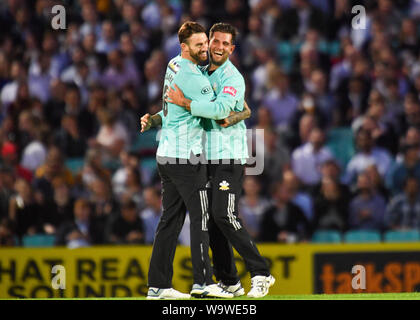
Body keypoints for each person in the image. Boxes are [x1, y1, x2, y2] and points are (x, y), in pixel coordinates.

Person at [165, 22, 275, 298]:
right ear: (209, 42)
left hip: (228, 156)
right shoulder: (200, 70)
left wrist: (186, 103)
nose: (219, 47)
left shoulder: (233, 78)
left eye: (226, 44)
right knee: (211, 219)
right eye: (216, 41)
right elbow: (240, 109)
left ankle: (261, 273)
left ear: (232, 49)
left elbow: (221, 109)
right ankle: (229, 281)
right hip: (204, 157)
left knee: (224, 214)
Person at [140, 21, 229, 300]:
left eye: (206, 43)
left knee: (170, 220)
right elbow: (218, 113)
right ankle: (203, 282)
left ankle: (158, 285)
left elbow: (170, 109)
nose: (205, 49)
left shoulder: (173, 65)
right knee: (201, 217)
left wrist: (154, 118)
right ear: (184, 47)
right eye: (199, 45)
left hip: (166, 154)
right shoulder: (194, 78)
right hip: (186, 159)